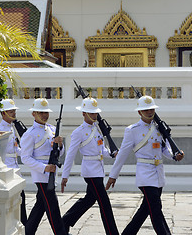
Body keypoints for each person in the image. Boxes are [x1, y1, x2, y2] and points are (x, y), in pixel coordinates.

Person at [106, 95, 184, 235]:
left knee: (145, 210)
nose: (149, 112)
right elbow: (123, 154)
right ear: (139, 112)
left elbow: (164, 149)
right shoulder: (132, 130)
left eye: (151, 109)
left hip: (158, 174)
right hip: (145, 175)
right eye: (146, 109)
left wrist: (174, 155)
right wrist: (113, 175)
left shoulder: (159, 127)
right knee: (155, 208)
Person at [61, 97, 119, 235]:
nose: (94, 115)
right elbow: (70, 155)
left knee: (89, 200)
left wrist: (112, 153)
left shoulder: (97, 129)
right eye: (91, 113)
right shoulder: (78, 132)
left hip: (98, 170)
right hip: (90, 172)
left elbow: (102, 150)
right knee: (104, 204)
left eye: (95, 113)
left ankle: (64, 222)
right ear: (83, 114)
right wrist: (65, 175)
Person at [20, 98, 67, 235]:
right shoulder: (30, 134)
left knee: (40, 207)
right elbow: (25, 158)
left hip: (52, 172)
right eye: (41, 112)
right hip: (41, 175)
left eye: (46, 112)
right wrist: (44, 168)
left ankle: (27, 232)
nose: (44, 115)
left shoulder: (52, 129)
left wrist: (59, 145)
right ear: (33, 114)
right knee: (53, 209)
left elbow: (61, 153)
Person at [0, 99, 27, 226]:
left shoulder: (12, 127)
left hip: (15, 167)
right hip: (8, 169)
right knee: (17, 199)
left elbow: (15, 149)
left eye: (14, 111)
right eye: (10, 111)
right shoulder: (1, 130)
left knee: (21, 198)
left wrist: (27, 154)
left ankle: (23, 224)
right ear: (3, 113)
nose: (14, 113)